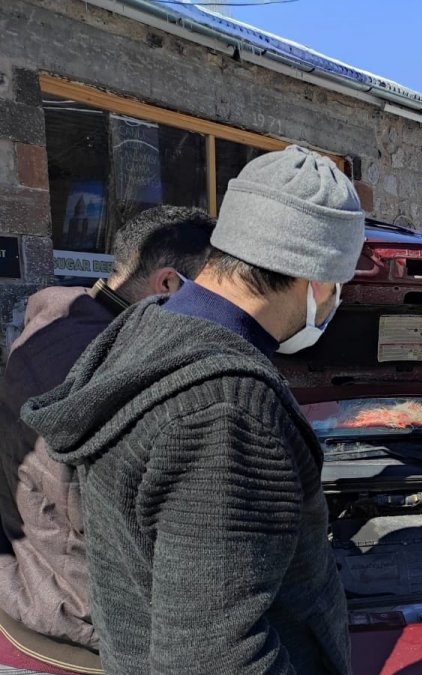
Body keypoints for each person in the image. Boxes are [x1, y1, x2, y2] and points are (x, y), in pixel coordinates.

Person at [22, 146, 364, 675]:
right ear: (317, 280)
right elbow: (215, 660)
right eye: (339, 286)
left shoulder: (145, 330)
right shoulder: (226, 413)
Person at [0, 205, 214, 675]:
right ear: (169, 284)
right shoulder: (101, 370)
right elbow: (121, 521)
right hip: (85, 616)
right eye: (213, 292)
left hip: (40, 580)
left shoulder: (66, 324)